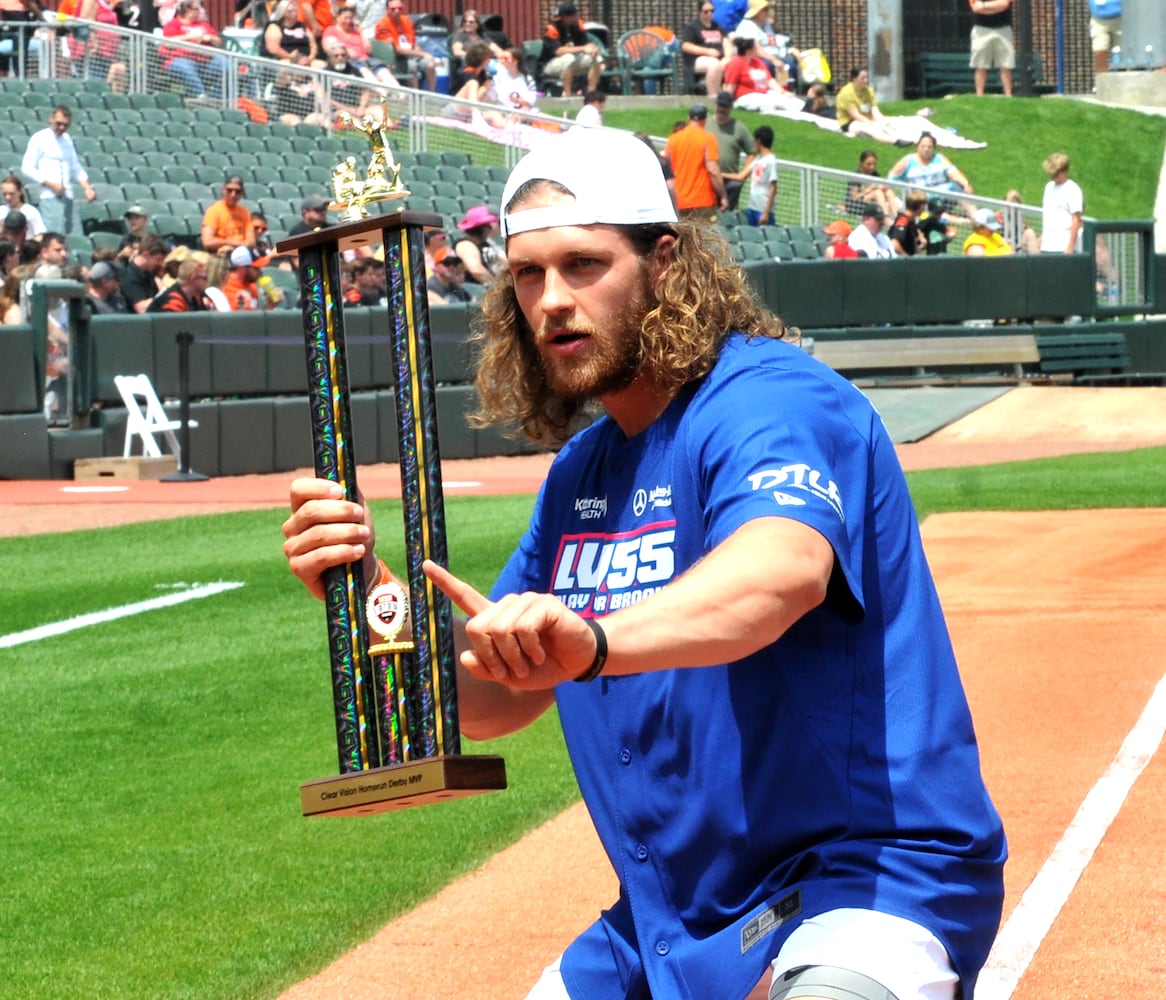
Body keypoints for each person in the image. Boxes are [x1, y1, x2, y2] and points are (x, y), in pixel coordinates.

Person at [281, 125, 1006, 1000]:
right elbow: (494, 699)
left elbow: (780, 574)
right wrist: (366, 592)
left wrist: (590, 640)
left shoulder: (770, 399)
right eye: (527, 274)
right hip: (674, 924)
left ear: (665, 263)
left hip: (862, 887)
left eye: (583, 265)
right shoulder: (580, 474)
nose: (550, 300)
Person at [20, 106, 97, 236]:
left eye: (65, 125)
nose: (61, 128)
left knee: (73, 236)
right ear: (51, 118)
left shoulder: (67, 140)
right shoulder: (40, 138)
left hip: (68, 196)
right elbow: (26, 168)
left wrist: (87, 187)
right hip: (50, 196)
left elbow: (75, 166)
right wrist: (51, 184)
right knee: (54, 237)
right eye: (59, 124)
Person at [664, 104, 728, 222]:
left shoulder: (673, 139)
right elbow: (713, 169)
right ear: (705, 120)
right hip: (702, 202)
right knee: (703, 238)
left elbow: (664, 165)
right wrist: (723, 196)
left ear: (688, 118)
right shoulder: (708, 139)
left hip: (678, 201)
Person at [159, 0, 227, 105]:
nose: (199, 12)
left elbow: (219, 42)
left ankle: (216, 98)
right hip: (180, 60)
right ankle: (201, 97)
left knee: (225, 63)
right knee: (185, 66)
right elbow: (168, 43)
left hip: (206, 60)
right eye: (196, 9)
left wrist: (210, 38)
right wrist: (189, 37)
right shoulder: (173, 24)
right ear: (187, 11)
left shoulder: (203, 25)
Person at [887, 132, 974, 207]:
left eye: (929, 147)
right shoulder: (908, 161)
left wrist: (966, 184)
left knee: (957, 188)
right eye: (923, 146)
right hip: (919, 199)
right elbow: (892, 177)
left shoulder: (939, 158)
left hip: (940, 195)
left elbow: (953, 173)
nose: (926, 149)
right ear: (917, 146)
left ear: (933, 148)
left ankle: (974, 216)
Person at [538, 1, 603, 96]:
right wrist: (583, 48)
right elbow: (558, 51)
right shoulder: (552, 29)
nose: (576, 16)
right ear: (565, 17)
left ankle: (591, 94)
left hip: (571, 62)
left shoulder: (578, 25)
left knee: (596, 58)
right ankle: (567, 95)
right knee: (569, 58)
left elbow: (585, 43)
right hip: (550, 65)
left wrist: (592, 49)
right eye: (573, 15)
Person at [723, 36, 802, 113]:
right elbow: (730, 86)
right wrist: (726, 102)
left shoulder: (757, 62)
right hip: (746, 96)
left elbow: (769, 80)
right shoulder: (735, 63)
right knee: (772, 103)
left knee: (788, 99)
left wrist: (783, 92)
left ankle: (805, 108)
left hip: (763, 93)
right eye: (756, 48)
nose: (758, 50)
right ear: (749, 50)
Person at [372, 0, 435, 90]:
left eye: (400, 8)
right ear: (387, 9)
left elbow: (413, 41)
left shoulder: (406, 20)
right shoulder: (383, 24)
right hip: (396, 59)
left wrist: (421, 53)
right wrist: (422, 54)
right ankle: (414, 98)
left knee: (430, 64)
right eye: (393, 9)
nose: (397, 11)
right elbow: (397, 50)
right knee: (413, 67)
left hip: (412, 54)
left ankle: (432, 96)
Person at [330, 4, 398, 86]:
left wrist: (361, 32)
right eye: (345, 18)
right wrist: (347, 50)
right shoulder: (332, 30)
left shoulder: (356, 32)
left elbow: (368, 50)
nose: (348, 21)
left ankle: (402, 96)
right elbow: (331, 48)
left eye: (350, 18)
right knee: (372, 78)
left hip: (367, 60)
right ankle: (383, 95)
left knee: (385, 74)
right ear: (338, 18)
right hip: (353, 63)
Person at [709, 91, 754, 212]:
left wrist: (744, 174)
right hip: (708, 178)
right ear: (716, 104)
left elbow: (753, 152)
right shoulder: (706, 124)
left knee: (727, 216)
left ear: (731, 107)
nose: (722, 109)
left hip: (729, 180)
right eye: (720, 105)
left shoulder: (739, 127)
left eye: (726, 107)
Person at [834, 68, 899, 144]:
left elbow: (875, 111)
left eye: (866, 77)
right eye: (862, 78)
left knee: (888, 126)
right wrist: (872, 124)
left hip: (866, 118)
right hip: (850, 121)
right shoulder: (846, 93)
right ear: (854, 78)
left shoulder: (869, 91)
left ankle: (896, 136)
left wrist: (884, 122)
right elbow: (856, 115)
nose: (866, 80)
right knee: (873, 129)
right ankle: (894, 141)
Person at [680, 0, 728, 97]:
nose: (710, 13)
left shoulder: (717, 26)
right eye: (706, 11)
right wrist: (707, 51)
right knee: (714, 65)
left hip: (719, 57)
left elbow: (726, 41)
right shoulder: (692, 27)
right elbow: (686, 46)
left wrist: (728, 56)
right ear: (699, 12)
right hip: (697, 60)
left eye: (712, 11)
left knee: (731, 63)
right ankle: (713, 97)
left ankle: (728, 97)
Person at [1039, 151, 1083, 254]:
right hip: (1047, 246)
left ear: (1064, 171)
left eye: (1055, 174)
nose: (1052, 177)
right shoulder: (1048, 187)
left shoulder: (1072, 189)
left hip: (1063, 247)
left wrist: (1070, 247)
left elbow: (1076, 220)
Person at [201, 175, 255, 255]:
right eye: (230, 190)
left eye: (238, 192)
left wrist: (233, 247)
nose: (233, 194)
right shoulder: (214, 210)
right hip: (220, 253)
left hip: (241, 253)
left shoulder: (244, 212)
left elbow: (251, 242)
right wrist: (231, 243)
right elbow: (207, 242)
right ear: (223, 191)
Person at [969, 0, 1014, 96]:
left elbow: (1004, 4)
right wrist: (995, 7)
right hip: (981, 30)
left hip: (1003, 29)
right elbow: (976, 8)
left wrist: (984, 6)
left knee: (1006, 64)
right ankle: (979, 95)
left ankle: (1008, 94)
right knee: (980, 65)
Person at [453, 205, 505, 285]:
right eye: (488, 227)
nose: (490, 230)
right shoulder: (465, 245)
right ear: (481, 229)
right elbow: (476, 271)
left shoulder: (484, 243)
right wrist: (498, 286)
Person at [262, 0, 322, 67]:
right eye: (292, 11)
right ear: (284, 13)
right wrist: (289, 56)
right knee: (286, 65)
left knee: (320, 65)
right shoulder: (274, 27)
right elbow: (273, 49)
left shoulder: (302, 26)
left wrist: (310, 57)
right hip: (285, 59)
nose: (295, 13)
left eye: (296, 11)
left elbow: (313, 45)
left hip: (305, 59)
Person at [449, 7, 505, 76]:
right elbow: (457, 52)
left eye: (471, 22)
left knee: (504, 67)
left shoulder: (482, 36)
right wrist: (476, 57)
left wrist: (504, 57)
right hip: (469, 64)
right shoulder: (460, 35)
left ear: (477, 24)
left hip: (485, 64)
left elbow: (496, 49)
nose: (467, 24)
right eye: (465, 21)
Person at [844, 150, 899, 220]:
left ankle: (898, 218)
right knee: (877, 193)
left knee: (889, 192)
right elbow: (854, 197)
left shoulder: (875, 174)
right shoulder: (856, 176)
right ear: (861, 163)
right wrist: (869, 189)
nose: (872, 167)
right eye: (868, 164)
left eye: (874, 164)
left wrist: (884, 188)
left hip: (871, 202)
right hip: (855, 206)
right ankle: (886, 218)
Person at [119, 234, 167, 313]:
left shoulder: (148, 274)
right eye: (158, 259)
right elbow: (141, 309)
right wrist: (164, 294)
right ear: (146, 255)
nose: (160, 264)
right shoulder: (129, 276)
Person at [147, 254, 212, 310]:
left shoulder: (196, 297)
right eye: (204, 278)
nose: (207, 282)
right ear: (192, 278)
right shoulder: (173, 300)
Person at [490, 46, 539, 113]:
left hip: (524, 113)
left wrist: (517, 100)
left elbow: (531, 101)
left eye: (506, 58)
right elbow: (492, 96)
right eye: (501, 58)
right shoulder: (498, 77)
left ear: (515, 61)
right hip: (504, 113)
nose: (502, 61)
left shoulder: (527, 79)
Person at [745, 125, 777, 226]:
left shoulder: (771, 161)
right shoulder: (758, 159)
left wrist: (766, 212)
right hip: (753, 206)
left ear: (759, 142)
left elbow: (773, 187)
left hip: (762, 209)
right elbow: (742, 175)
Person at [888, 189, 928, 256]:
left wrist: (921, 243)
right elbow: (895, 243)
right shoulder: (903, 220)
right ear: (921, 207)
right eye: (924, 206)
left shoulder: (911, 221)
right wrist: (907, 258)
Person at [1088, 0, 1121, 78]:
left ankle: (1121, 81)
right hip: (1098, 20)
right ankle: (1102, 82)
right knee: (1099, 50)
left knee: (1121, 52)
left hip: (1120, 17)